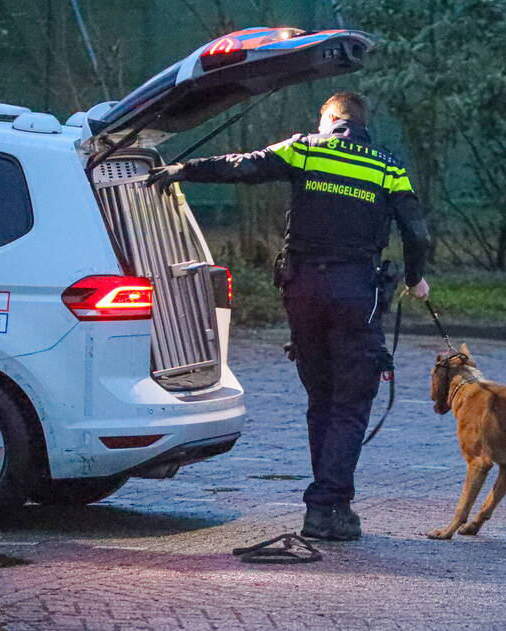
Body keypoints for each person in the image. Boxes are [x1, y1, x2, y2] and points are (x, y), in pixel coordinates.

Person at [147, 91, 430, 541]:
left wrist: (185, 169)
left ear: (332, 117)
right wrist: (416, 279)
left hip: (302, 291)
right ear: (361, 121)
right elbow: (416, 231)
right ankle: (328, 508)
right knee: (351, 402)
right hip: (356, 292)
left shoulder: (306, 148)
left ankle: (327, 503)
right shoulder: (387, 166)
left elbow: (244, 165)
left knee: (321, 399)